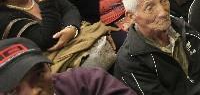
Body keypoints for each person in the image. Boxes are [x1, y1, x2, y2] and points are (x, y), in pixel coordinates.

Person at [0, 37, 136, 95]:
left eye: (38, 75)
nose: (34, 92)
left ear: (49, 68)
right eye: (13, 91)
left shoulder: (86, 80)